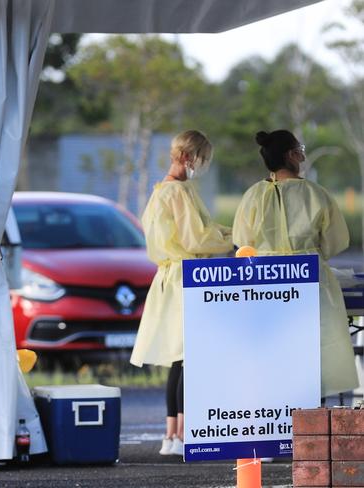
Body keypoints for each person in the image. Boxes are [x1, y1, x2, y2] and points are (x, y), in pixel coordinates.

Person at [233, 130, 358, 398]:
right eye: (299, 149)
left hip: (264, 281)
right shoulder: (316, 193)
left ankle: (275, 414)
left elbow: (242, 242)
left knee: (271, 349)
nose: (302, 154)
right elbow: (336, 240)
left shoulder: (253, 195)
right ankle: (310, 418)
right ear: (291, 155)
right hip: (310, 278)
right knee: (312, 349)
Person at [130, 130, 233, 456]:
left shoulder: (159, 190)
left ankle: (172, 436)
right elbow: (198, 237)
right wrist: (236, 237)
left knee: (180, 358)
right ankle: (186, 434)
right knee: (193, 357)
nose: (201, 167)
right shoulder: (180, 192)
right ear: (189, 157)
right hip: (187, 278)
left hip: (167, 278)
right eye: (202, 160)